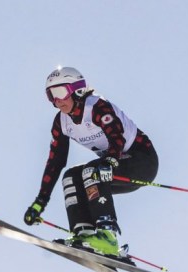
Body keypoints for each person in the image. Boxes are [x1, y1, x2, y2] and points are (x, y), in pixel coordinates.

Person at [23, 66, 159, 260]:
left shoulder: (96, 106)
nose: (57, 100)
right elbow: (56, 161)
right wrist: (40, 201)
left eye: (60, 92)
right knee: (71, 176)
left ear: (77, 89)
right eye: (51, 95)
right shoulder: (62, 122)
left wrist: (110, 160)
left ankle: (107, 236)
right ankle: (84, 233)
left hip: (142, 162)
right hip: (113, 163)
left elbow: (116, 135)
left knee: (91, 171)